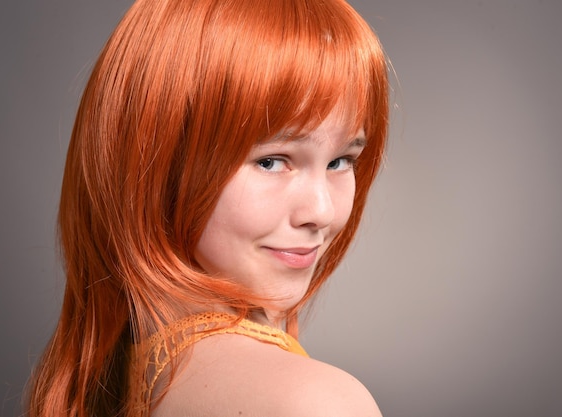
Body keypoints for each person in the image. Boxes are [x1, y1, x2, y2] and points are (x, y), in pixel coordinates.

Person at [26, 0, 389, 416]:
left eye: (341, 161)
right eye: (271, 161)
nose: (322, 212)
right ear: (160, 163)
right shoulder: (312, 402)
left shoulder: (114, 376)